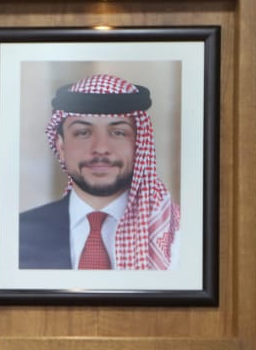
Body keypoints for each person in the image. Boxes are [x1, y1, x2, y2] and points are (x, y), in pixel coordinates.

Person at [19, 73, 180, 270]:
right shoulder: (18, 234)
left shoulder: (179, 235)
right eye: (83, 133)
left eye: (118, 133)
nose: (101, 148)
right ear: (61, 147)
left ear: (139, 145)